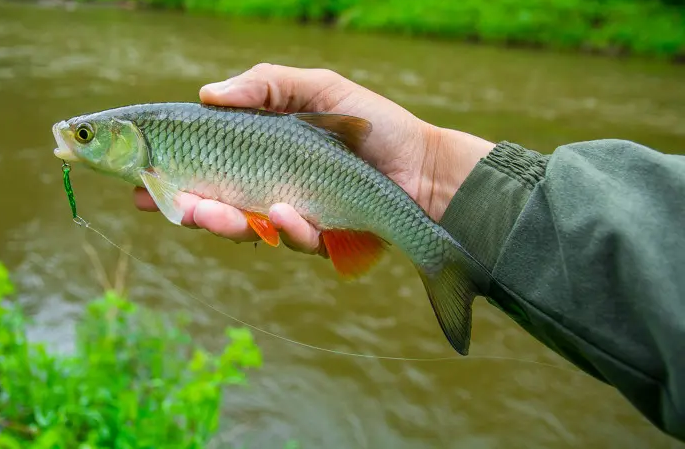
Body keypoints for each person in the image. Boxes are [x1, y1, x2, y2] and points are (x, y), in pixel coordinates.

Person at [133, 63, 685, 442]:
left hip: (335, 182)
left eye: (87, 136)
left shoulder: (161, 150)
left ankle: (446, 265)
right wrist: (435, 169)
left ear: (130, 139)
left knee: (293, 221)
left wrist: (428, 173)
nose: (74, 141)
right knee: (277, 219)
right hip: (324, 184)